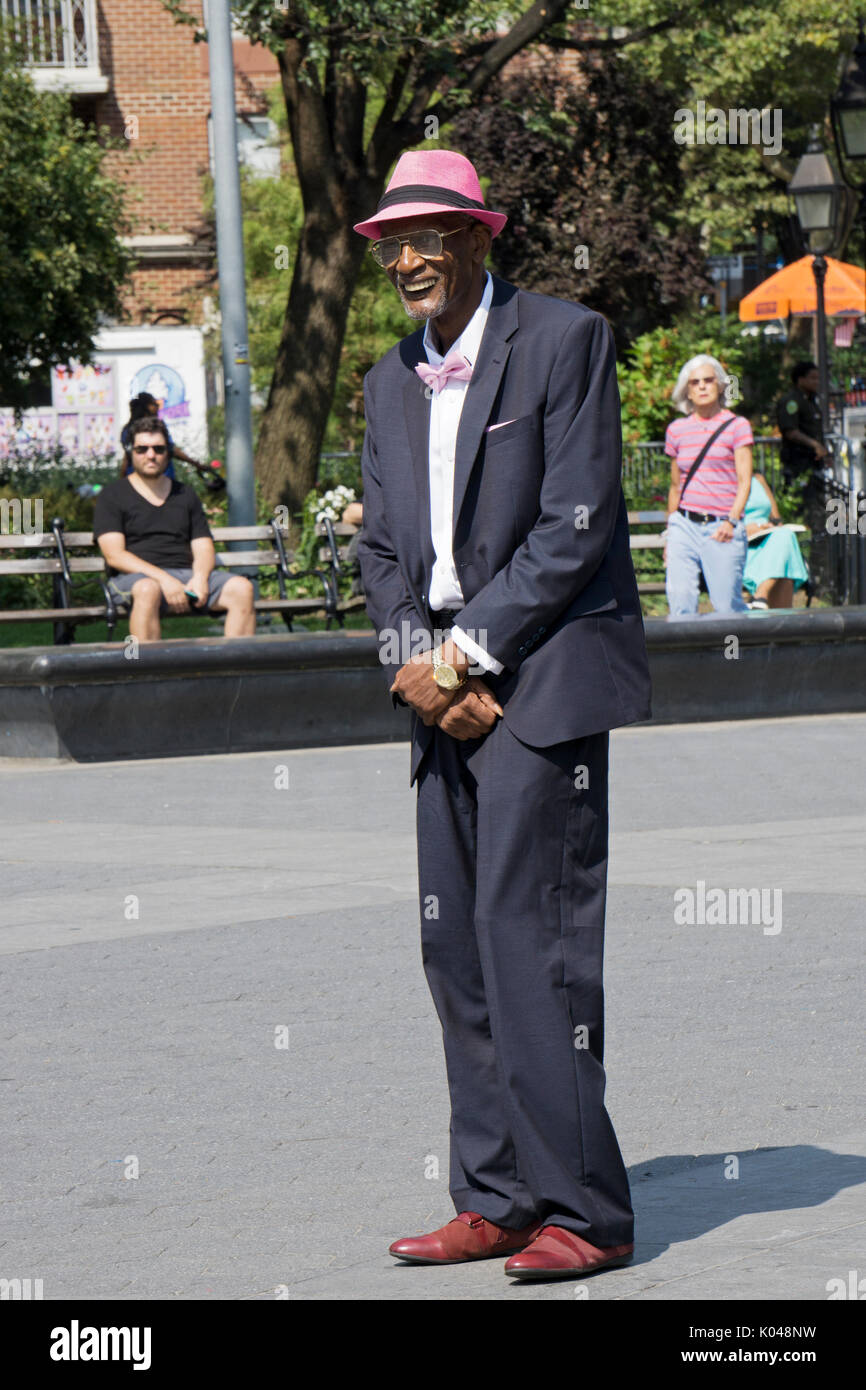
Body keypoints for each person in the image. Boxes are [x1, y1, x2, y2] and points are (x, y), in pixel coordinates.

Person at [354, 149, 651, 1282]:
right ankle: (495, 1195)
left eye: (430, 234)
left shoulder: (565, 341)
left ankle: (589, 1211)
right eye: (392, 240)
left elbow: (575, 522)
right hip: (435, 689)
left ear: (482, 237)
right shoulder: (388, 378)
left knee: (534, 943)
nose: (408, 257)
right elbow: (381, 547)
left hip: (541, 681)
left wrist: (466, 654)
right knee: (455, 947)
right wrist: (412, 666)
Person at [93, 416, 255, 641]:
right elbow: (115, 556)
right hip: (134, 580)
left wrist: (199, 578)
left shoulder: (185, 494)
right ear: (131, 452)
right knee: (148, 589)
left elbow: (203, 547)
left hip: (186, 575)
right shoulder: (113, 495)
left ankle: (235, 671)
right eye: (142, 449)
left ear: (167, 452)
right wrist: (164, 580)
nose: (151, 455)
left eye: (158, 449)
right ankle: (147, 671)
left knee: (241, 588)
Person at [663, 354, 753, 617]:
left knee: (727, 608)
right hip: (684, 525)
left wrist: (732, 520)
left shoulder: (737, 426)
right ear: (687, 391)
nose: (701, 386)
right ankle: (683, 659)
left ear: (721, 385)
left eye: (708, 380)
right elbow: (675, 487)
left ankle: (734, 657)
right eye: (694, 382)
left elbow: (745, 481)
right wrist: (670, 533)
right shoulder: (676, 430)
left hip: (722, 525)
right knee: (681, 605)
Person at [742, 472, 808, 610]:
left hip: (769, 538)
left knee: (784, 535)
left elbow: (776, 519)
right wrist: (749, 529)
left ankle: (761, 595)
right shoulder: (723, 481)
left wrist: (770, 527)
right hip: (744, 543)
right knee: (785, 558)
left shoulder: (758, 479)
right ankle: (762, 598)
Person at [776, 362, 831, 491]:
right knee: (801, 503)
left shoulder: (811, 401)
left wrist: (825, 453)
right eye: (812, 378)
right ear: (800, 380)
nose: (816, 382)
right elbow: (790, 431)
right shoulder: (791, 402)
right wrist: (815, 445)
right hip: (798, 463)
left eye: (818, 378)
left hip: (814, 463)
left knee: (817, 503)